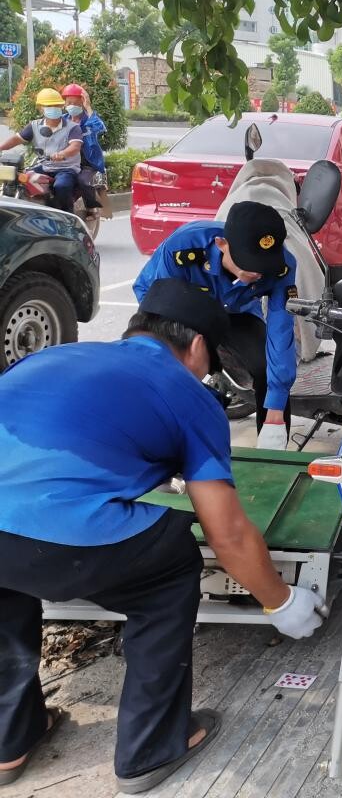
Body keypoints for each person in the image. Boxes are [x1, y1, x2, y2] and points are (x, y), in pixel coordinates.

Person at [0, 279, 325, 794]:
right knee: (170, 565)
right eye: (209, 362)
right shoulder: (187, 393)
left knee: (7, 588)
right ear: (196, 346)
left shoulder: (53, 357)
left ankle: (7, 741)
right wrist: (281, 601)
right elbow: (228, 533)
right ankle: (150, 748)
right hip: (60, 542)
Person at [134, 201, 298, 449]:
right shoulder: (184, 249)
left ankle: (273, 452)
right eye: (248, 263)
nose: (258, 273)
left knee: (265, 366)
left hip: (236, 311)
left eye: (264, 267)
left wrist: (276, 402)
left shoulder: (282, 265)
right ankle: (162, 443)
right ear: (222, 244)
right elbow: (162, 317)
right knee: (169, 368)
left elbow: (281, 328)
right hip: (173, 306)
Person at [0, 88, 83, 214]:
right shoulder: (34, 126)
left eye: (56, 105)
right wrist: (0, 147)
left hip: (66, 168)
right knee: (19, 179)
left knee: (61, 186)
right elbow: (16, 139)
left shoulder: (73, 127)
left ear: (61, 106)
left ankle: (68, 216)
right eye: (49, 105)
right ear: (41, 108)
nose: (53, 108)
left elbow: (75, 147)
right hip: (44, 166)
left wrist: (62, 154)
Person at [61, 83, 109, 218]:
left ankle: (91, 207)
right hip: (67, 162)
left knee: (83, 180)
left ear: (82, 103)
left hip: (87, 162)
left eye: (76, 103)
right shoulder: (62, 120)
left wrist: (89, 107)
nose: (72, 105)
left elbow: (100, 127)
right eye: (69, 102)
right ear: (64, 103)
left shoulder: (89, 118)